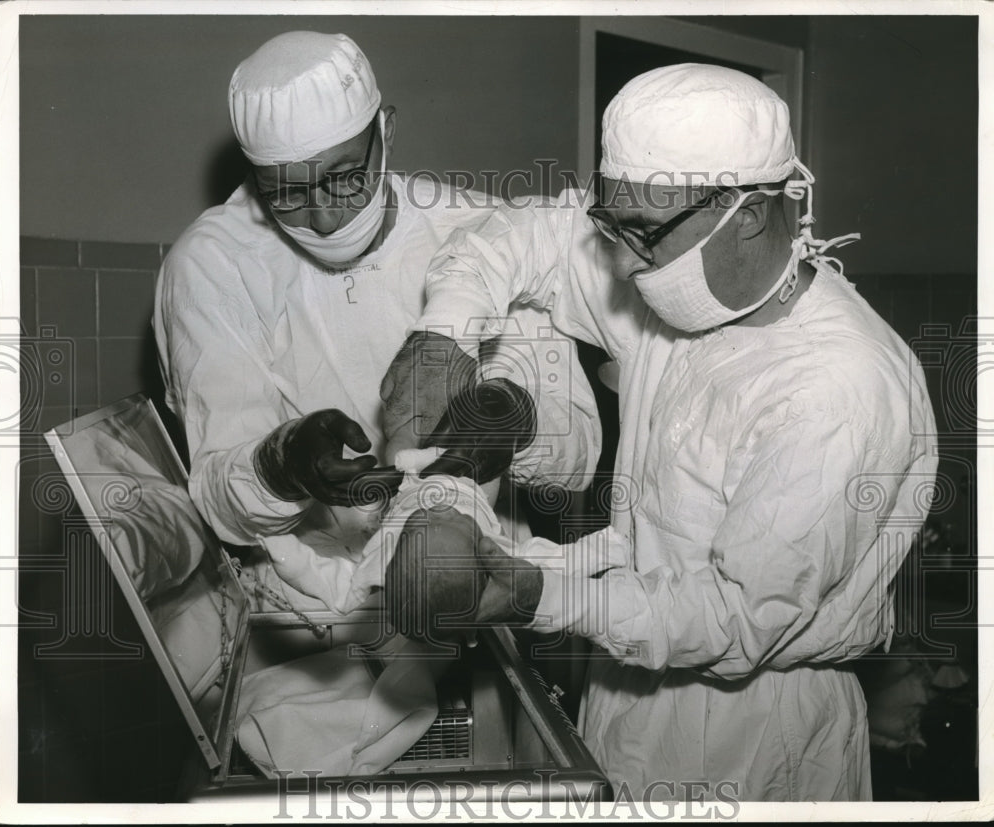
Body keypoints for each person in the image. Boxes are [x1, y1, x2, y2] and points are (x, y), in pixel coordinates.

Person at [383, 64, 938, 800]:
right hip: (626, 685)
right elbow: (524, 237)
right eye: (612, 224)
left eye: (642, 233)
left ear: (748, 211)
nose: (622, 257)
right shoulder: (681, 289)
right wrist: (444, 331)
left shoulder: (835, 387)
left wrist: (531, 589)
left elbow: (731, 617)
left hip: (751, 729)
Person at [153, 31, 601, 616]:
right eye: (285, 191)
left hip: (475, 592)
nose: (323, 215)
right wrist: (279, 465)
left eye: (344, 177)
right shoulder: (213, 264)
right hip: (310, 624)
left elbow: (580, 452)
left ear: (385, 133)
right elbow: (217, 497)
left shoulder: (480, 237)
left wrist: (515, 421)